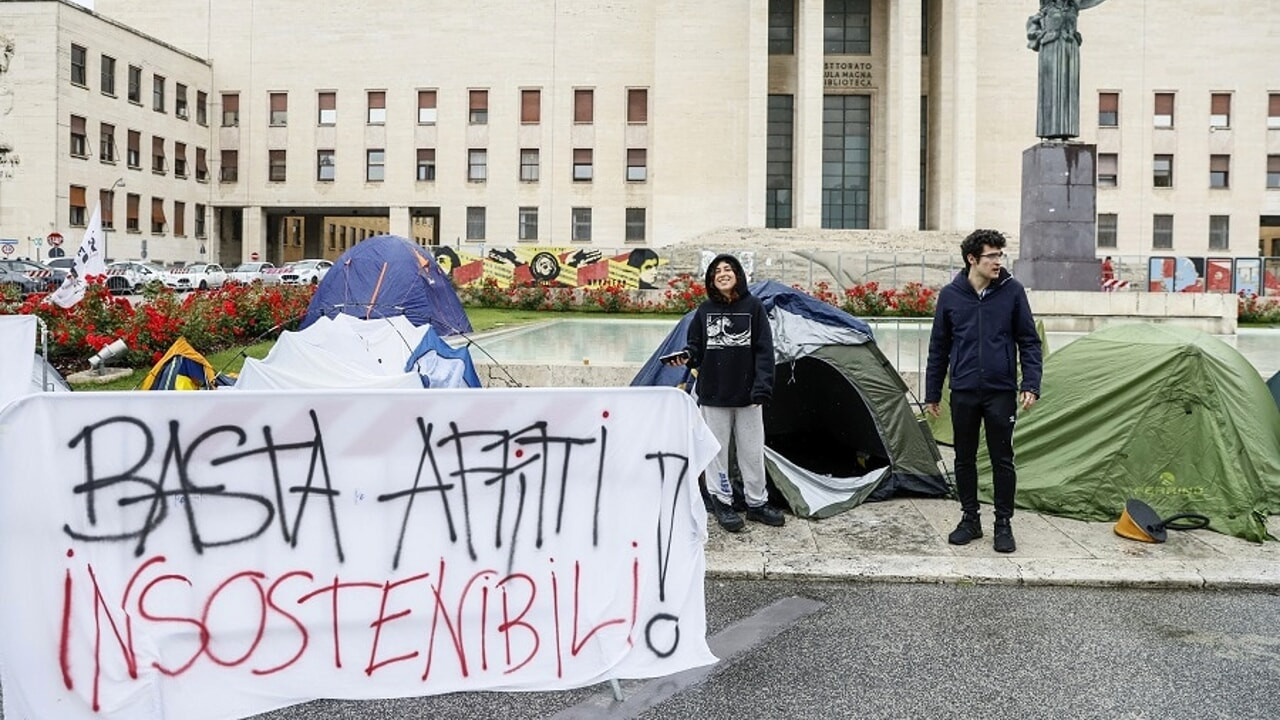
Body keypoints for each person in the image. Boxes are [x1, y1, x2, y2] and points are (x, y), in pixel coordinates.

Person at [925, 230, 1042, 553]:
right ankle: (970, 520)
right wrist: (932, 393)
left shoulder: (1012, 291)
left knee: (1002, 459)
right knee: (963, 458)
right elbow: (939, 347)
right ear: (972, 259)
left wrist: (1031, 383)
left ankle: (1003, 524)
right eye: (992, 256)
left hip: (1000, 391)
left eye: (1000, 255)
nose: (998, 262)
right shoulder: (951, 295)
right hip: (963, 390)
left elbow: (1029, 341)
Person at [664, 254, 783, 532]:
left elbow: (765, 351)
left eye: (728, 269)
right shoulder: (704, 311)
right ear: (711, 280)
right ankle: (722, 502)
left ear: (738, 275)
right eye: (716, 271)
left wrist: (762, 388)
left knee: (752, 452)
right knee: (716, 453)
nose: (722, 274)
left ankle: (756, 503)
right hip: (713, 395)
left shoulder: (754, 307)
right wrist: (686, 357)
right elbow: (696, 348)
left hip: (749, 398)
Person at [1026, 0, 1108, 140]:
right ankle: (1050, 132)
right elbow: (1032, 32)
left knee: (1069, 89)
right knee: (1051, 88)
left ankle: (1067, 131)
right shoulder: (1046, 10)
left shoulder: (1072, 8)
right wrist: (1043, 35)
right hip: (1051, 48)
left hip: (1070, 48)